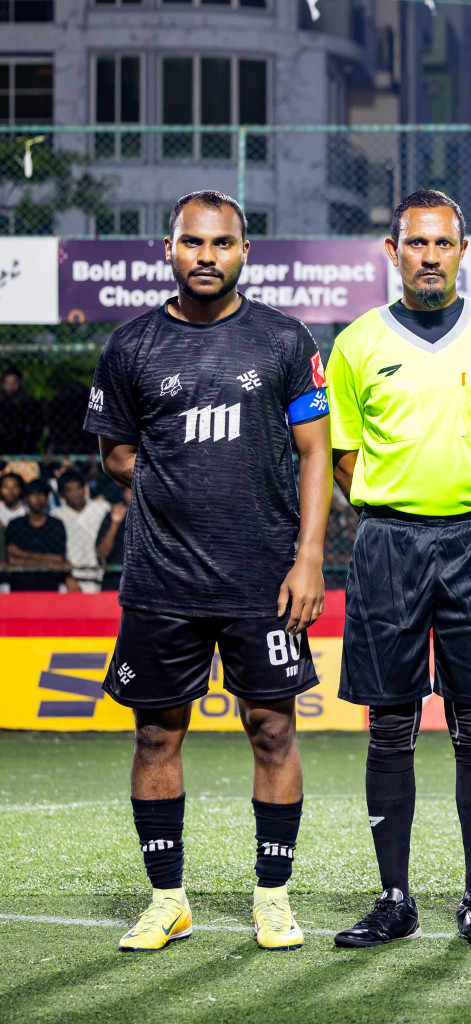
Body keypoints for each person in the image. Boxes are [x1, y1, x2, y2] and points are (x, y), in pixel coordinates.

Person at [85, 190, 331, 952]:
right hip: (160, 581)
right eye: (193, 243)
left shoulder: (284, 340)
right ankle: (168, 900)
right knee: (156, 735)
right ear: (170, 248)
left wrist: (310, 556)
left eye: (222, 244)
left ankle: (273, 897)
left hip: (265, 581)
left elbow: (316, 452)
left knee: (272, 729)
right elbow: (117, 452)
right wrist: (179, 489)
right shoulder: (130, 347)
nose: (206, 256)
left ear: (244, 252)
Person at [328, 189, 471, 949]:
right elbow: (342, 455)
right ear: (392, 251)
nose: (430, 257)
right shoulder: (356, 344)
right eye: (416, 244)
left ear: (462, 251)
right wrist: (399, 504)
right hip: (386, 545)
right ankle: (394, 898)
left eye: (444, 244)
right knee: (389, 725)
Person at [5, 478, 71, 592]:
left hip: (49, 586)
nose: (38, 498)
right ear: (25, 499)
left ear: (47, 499)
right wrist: (49, 563)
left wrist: (22, 556)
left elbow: (60, 559)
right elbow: (11, 559)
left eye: (42, 494)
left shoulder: (56, 524)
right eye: (33, 494)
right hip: (20, 586)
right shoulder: (16, 524)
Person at [51, 469, 110, 592]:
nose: (76, 493)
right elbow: (56, 551)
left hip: (102, 577)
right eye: (70, 490)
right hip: (71, 581)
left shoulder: (102, 508)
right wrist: (68, 578)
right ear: (61, 494)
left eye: (79, 488)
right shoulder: (56, 516)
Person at [0, 367, 43, 456]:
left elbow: (35, 432)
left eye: (14, 383)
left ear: (20, 383)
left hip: (26, 452)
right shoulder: (2, 407)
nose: (11, 387)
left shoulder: (30, 405)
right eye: (7, 383)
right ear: (2, 385)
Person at [97, 485, 130, 591]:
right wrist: (114, 524)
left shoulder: (154, 517)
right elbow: (102, 553)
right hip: (115, 580)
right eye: (130, 490)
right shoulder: (112, 516)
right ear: (124, 494)